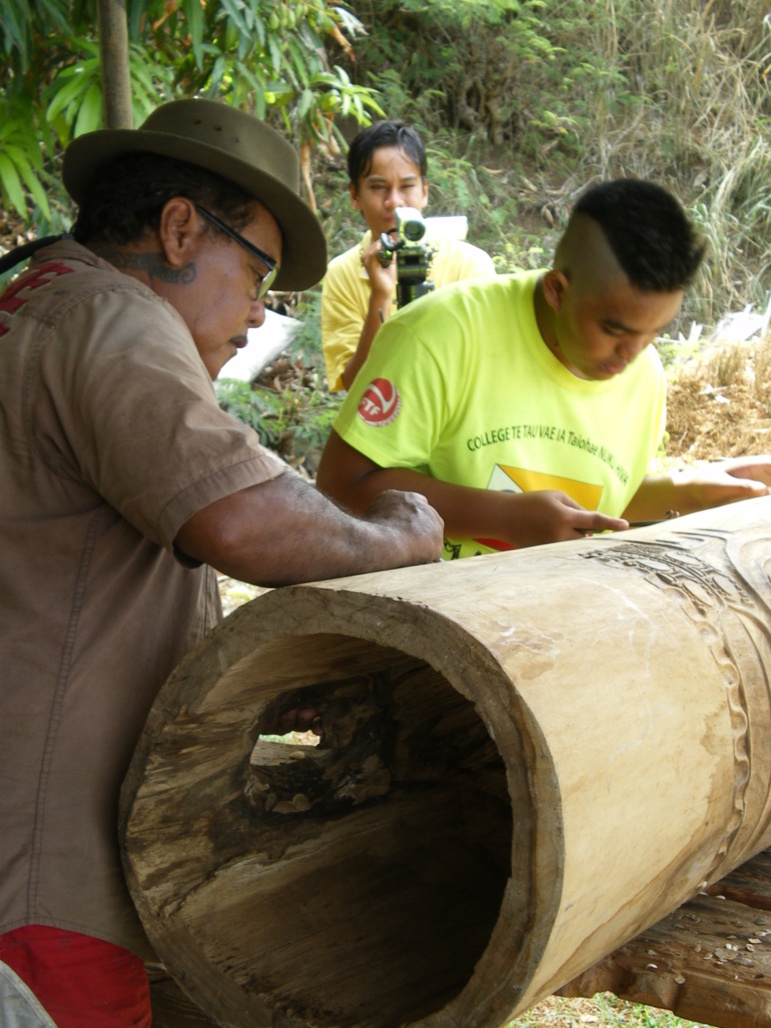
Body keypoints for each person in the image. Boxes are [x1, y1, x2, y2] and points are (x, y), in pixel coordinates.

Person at [0, 98, 444, 1027]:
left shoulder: (28, 297)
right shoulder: (112, 317)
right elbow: (240, 522)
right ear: (176, 229)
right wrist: (397, 540)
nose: (254, 316)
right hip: (38, 867)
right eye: (256, 275)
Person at [317, 178, 771, 559]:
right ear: (557, 290)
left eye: (653, 332)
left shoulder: (644, 375)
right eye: (615, 330)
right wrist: (502, 517)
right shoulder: (437, 336)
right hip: (426, 624)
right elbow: (342, 484)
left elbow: (598, 501)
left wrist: (689, 490)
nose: (631, 354)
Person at [321, 119, 496, 392]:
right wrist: (380, 294)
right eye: (378, 187)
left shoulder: (470, 265)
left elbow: (485, 368)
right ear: (355, 195)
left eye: (407, 186)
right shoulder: (342, 273)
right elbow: (355, 385)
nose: (394, 201)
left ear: (424, 191)